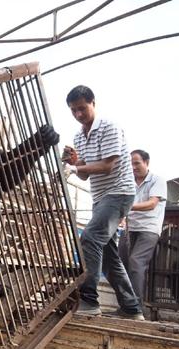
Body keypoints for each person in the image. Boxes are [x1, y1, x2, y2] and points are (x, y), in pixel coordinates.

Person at [62, 85, 143, 320]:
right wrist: (76, 163)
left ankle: (89, 300)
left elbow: (108, 165)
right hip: (100, 197)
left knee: (89, 238)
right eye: (73, 111)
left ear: (93, 103)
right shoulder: (79, 135)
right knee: (109, 257)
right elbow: (86, 174)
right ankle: (131, 308)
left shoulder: (110, 127)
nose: (78, 114)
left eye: (82, 108)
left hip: (119, 193)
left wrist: (75, 167)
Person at [119, 149, 167, 305]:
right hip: (130, 228)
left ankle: (135, 307)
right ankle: (125, 305)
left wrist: (128, 206)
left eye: (137, 163)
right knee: (121, 264)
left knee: (136, 262)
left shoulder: (157, 180)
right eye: (130, 164)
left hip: (149, 229)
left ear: (147, 162)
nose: (133, 167)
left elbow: (152, 204)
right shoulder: (128, 181)